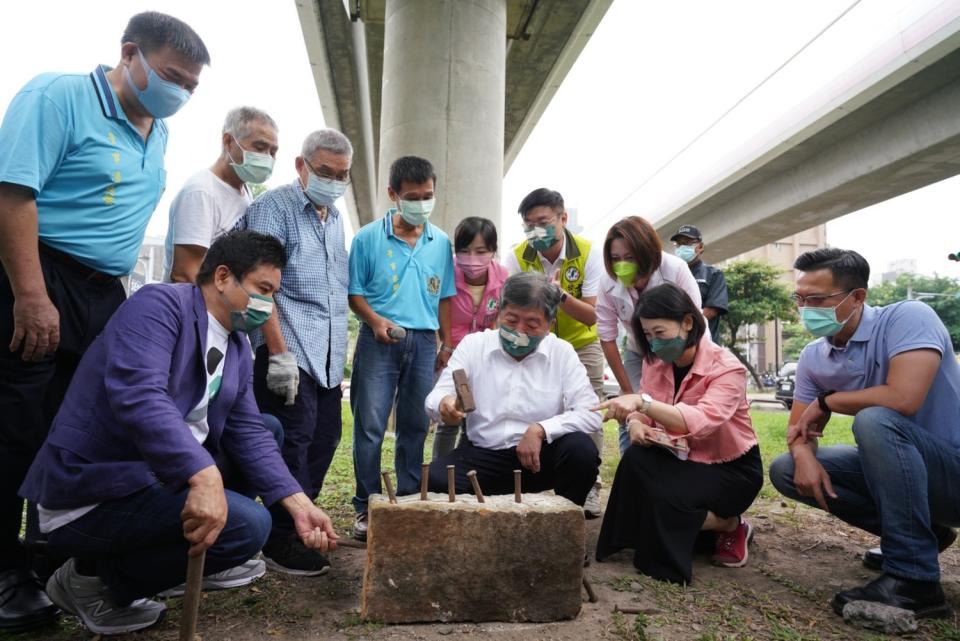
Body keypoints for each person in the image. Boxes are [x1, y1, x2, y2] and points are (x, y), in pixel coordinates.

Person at [18, 231, 339, 635]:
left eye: (272, 294)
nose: (267, 305)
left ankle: (169, 562)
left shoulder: (237, 346)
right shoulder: (159, 305)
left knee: (267, 429)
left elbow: (248, 432)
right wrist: (204, 476)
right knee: (247, 526)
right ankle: (92, 582)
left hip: (152, 475)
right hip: (95, 487)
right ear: (223, 276)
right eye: (262, 289)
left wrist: (297, 504)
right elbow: (140, 395)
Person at [0, 12, 208, 632]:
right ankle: (5, 572)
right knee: (16, 427)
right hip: (40, 275)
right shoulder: (57, 96)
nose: (180, 94)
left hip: (104, 294)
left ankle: (52, 558)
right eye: (172, 77)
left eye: (191, 86)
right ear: (130, 54)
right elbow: (14, 195)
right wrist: (32, 296)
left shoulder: (158, 129)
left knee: (80, 428)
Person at [768, 248, 960, 619]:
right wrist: (804, 455)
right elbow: (798, 429)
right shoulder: (813, 357)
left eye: (818, 299)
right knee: (786, 470)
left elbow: (902, 398)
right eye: (800, 298)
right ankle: (924, 536)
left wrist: (826, 402)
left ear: (858, 297)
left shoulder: (908, 318)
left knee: (875, 419)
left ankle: (916, 581)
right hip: (910, 473)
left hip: (952, 469)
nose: (806, 309)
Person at [235, 129, 352, 575]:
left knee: (326, 437)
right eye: (325, 171)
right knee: (294, 439)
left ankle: (304, 518)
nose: (334, 181)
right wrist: (279, 356)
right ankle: (281, 539)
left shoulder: (335, 216)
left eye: (342, 174)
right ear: (301, 166)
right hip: (287, 349)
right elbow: (262, 290)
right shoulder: (273, 209)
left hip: (325, 355)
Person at [594, 284, 761, 584]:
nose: (654, 343)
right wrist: (635, 423)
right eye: (647, 336)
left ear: (687, 322)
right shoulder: (654, 363)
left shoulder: (727, 368)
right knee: (636, 459)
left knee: (665, 498)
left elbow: (700, 421)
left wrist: (641, 402)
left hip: (730, 468)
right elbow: (642, 411)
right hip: (682, 456)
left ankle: (729, 524)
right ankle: (629, 538)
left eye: (660, 333)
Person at [348, 156, 455, 540]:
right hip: (380, 340)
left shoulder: (440, 242)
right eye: (412, 196)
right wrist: (376, 322)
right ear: (393, 195)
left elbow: (444, 296)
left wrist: (446, 343)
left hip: (425, 341)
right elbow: (355, 293)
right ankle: (366, 505)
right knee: (370, 426)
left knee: (414, 425)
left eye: (428, 196)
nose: (421, 203)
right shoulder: (367, 239)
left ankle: (408, 499)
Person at [426, 272, 601, 505]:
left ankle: (563, 522)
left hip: (537, 460)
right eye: (511, 321)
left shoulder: (562, 353)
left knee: (581, 452)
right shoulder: (473, 345)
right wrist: (444, 403)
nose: (519, 332)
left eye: (531, 324)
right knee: (435, 482)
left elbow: (591, 414)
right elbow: (437, 394)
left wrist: (540, 429)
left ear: (550, 325)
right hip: (482, 456)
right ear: (498, 315)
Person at [503, 188, 605, 517]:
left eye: (543, 222)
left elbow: (593, 315)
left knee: (590, 411)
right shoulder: (517, 256)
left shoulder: (589, 253)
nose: (536, 231)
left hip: (582, 342)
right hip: (535, 343)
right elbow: (510, 308)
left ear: (563, 219)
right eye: (528, 225)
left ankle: (591, 485)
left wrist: (559, 295)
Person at [596, 216, 702, 453]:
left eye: (630, 257)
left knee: (678, 407)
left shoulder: (674, 269)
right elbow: (607, 337)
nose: (621, 265)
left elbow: (695, 323)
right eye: (615, 259)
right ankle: (632, 458)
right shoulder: (607, 282)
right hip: (639, 352)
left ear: (647, 253)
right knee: (633, 409)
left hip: (681, 350)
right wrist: (628, 391)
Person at [163, 106, 279, 283]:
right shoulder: (201, 192)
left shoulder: (245, 193)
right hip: (192, 308)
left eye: (273, 152)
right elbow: (185, 273)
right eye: (260, 147)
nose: (267, 158)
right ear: (228, 142)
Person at [432, 216, 509, 458]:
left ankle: (468, 467)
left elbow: (503, 315)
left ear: (493, 251)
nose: (472, 259)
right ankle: (440, 472)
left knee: (475, 418)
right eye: (464, 251)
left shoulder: (503, 277)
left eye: (480, 251)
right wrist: (446, 345)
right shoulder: (447, 273)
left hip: (484, 352)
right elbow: (439, 307)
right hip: (453, 353)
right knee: (449, 417)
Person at [670, 225, 728, 343]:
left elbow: (711, 311)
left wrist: (682, 326)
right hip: (675, 345)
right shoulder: (670, 275)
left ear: (700, 247)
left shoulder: (714, 274)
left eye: (687, 243)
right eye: (679, 244)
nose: (682, 248)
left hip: (704, 343)